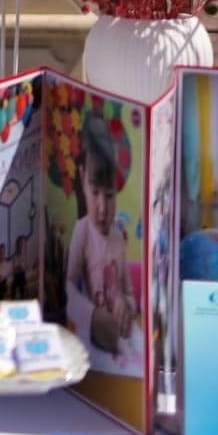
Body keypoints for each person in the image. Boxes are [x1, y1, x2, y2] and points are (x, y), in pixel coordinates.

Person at [66, 117, 135, 358]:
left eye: (109, 196)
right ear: (83, 177)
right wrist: (91, 315)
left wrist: (126, 306)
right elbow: (68, 287)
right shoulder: (82, 231)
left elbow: (129, 293)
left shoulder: (118, 239)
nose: (102, 208)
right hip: (89, 342)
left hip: (117, 341)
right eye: (95, 193)